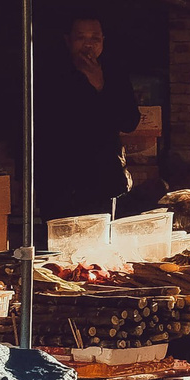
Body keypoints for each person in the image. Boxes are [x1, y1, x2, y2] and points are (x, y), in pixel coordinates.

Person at [34, 14, 143, 226]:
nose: (88, 45)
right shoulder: (50, 74)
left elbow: (130, 121)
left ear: (103, 41)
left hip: (104, 180)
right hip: (59, 180)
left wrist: (101, 85)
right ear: (68, 40)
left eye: (95, 38)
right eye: (81, 38)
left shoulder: (113, 73)